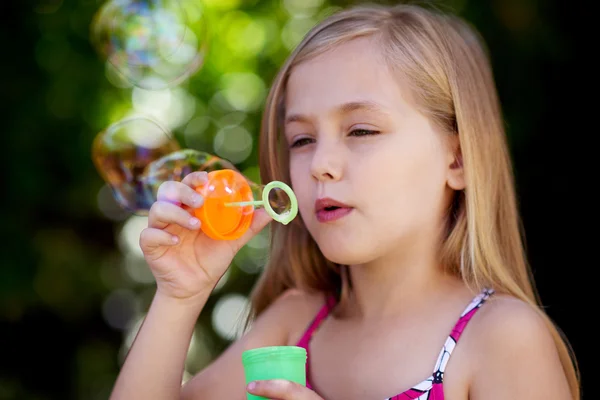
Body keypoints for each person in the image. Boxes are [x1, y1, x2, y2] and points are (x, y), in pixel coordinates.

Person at [109, 3, 580, 399]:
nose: (320, 165)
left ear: (457, 160)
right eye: (300, 139)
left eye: (361, 130)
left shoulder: (502, 339)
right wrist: (179, 298)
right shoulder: (295, 324)